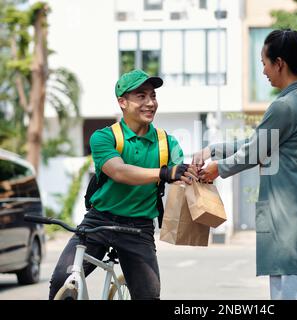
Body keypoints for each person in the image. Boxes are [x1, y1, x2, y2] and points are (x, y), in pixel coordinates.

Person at [193, 29, 297, 300]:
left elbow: (253, 152)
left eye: (264, 63)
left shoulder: (285, 106)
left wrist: (217, 168)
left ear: (280, 63)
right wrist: (213, 150)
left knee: (290, 293)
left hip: (288, 218)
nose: (263, 70)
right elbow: (258, 143)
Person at [49, 69, 198, 300]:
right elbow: (118, 171)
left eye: (153, 96)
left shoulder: (166, 143)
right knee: (62, 280)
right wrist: (164, 172)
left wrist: (197, 173)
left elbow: (181, 174)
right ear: (123, 102)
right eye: (141, 96)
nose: (150, 103)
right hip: (99, 220)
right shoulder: (104, 137)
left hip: (139, 228)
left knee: (149, 296)